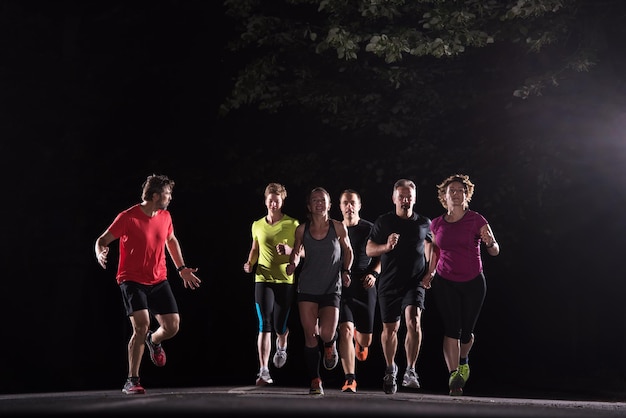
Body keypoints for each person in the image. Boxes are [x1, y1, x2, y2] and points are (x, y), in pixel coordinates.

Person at [94, 174, 201, 395]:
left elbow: (171, 240)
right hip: (131, 280)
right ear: (154, 195)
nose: (170, 197)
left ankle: (154, 341)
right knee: (141, 325)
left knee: (172, 327)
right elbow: (102, 240)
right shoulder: (128, 217)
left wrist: (181, 269)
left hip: (159, 279)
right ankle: (132, 380)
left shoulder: (166, 216)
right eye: (167, 194)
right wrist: (100, 252)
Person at [422, 174, 500, 396]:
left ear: (467, 195)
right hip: (446, 281)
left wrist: (491, 243)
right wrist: (430, 273)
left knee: (467, 333)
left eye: (460, 190)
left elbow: (495, 250)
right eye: (451, 191)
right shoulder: (436, 224)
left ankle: (464, 360)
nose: (456, 194)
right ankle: (454, 376)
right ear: (444, 196)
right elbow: (435, 251)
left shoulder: (476, 220)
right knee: (451, 329)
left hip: (473, 281)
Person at [366, 179, 434, 395]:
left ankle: (411, 370)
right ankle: (390, 368)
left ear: (415, 199)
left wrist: (430, 273)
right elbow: (369, 249)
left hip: (415, 282)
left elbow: (432, 248)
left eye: (409, 197)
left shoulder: (424, 223)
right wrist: (386, 246)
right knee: (390, 329)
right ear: (394, 198)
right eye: (401, 196)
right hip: (389, 282)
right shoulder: (384, 222)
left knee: (413, 321)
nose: (405, 200)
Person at [286, 187, 354, 396]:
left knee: (326, 333)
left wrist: (346, 270)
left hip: (331, 288)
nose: (319, 203)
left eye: (323, 200)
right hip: (307, 287)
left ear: (329, 204)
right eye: (315, 200)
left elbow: (348, 250)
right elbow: (297, 252)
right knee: (310, 335)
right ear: (309, 206)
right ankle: (315, 380)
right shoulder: (302, 229)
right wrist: (292, 264)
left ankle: (330, 344)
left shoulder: (338, 227)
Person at [243, 183, 300, 386]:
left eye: (277, 200)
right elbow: (254, 249)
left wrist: (289, 252)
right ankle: (263, 370)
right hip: (262, 278)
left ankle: (282, 342)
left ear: (282, 201)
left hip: (284, 279)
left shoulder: (293, 224)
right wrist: (249, 263)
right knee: (263, 323)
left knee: (279, 325)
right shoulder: (257, 224)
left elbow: (302, 252)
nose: (273, 203)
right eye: (270, 199)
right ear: (265, 200)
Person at [337, 189, 380, 393]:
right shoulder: (335, 229)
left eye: (352, 202)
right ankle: (350, 379)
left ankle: (360, 341)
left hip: (365, 285)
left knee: (365, 341)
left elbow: (381, 257)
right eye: (345, 202)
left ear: (359, 205)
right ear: (340, 206)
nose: (349, 206)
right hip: (343, 286)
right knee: (344, 329)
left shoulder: (370, 229)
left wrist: (374, 274)